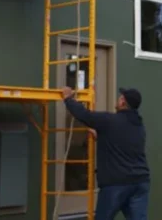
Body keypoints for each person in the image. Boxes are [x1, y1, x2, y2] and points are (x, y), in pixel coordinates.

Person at [61, 86, 151, 220]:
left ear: (122, 102)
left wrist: (68, 99)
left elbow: (85, 115)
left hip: (116, 184)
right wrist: (102, 136)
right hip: (140, 183)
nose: (118, 99)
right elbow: (125, 143)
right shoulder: (139, 126)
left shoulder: (109, 121)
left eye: (120, 97)